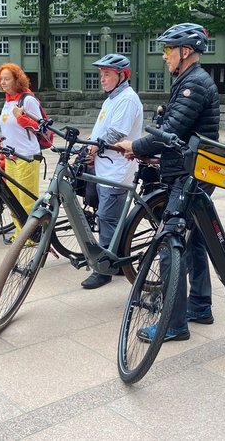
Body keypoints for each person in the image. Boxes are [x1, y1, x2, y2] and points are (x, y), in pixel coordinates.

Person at [116, 22, 220, 341]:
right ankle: (200, 305)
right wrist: (152, 155)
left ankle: (173, 323)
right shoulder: (188, 80)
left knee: (169, 244)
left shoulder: (194, 84)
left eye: (167, 50)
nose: (164, 56)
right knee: (196, 240)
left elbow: (172, 132)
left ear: (184, 52)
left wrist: (136, 146)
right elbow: (179, 135)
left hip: (191, 177)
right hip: (193, 170)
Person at [78, 54, 143, 289]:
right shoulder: (112, 99)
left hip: (118, 169)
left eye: (107, 74)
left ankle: (105, 268)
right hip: (106, 167)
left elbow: (116, 133)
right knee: (109, 217)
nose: (102, 79)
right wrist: (87, 146)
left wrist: (93, 148)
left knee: (107, 217)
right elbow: (102, 130)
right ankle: (115, 260)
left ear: (122, 76)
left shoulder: (127, 99)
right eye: (101, 74)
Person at [0, 62, 42, 243]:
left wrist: (21, 117)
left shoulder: (27, 100)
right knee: (13, 199)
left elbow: (40, 127)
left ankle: (33, 236)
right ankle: (19, 233)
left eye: (7, 79)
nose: (3, 82)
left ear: (17, 80)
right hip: (10, 157)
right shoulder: (7, 102)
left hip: (27, 156)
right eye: (1, 79)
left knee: (27, 199)